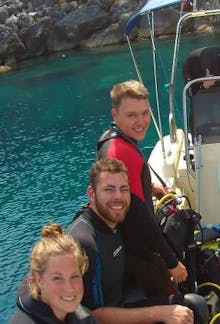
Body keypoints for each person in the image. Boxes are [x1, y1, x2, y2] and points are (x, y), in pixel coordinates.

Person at [67, 158, 196, 324]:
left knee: (190, 305)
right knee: (190, 309)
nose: (118, 197)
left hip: (124, 300)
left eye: (123, 189)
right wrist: (161, 313)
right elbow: (91, 315)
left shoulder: (115, 222)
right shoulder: (85, 242)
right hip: (105, 318)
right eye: (109, 190)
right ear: (92, 194)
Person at [95, 80, 188, 295]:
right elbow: (140, 216)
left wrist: (151, 187)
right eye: (132, 115)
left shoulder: (109, 140)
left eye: (145, 113)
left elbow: (129, 180)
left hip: (123, 247)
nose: (141, 121)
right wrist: (171, 261)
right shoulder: (122, 151)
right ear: (115, 114)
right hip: (138, 251)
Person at [10, 224, 97, 323]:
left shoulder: (84, 318)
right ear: (39, 280)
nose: (69, 288)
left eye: (74, 276)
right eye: (57, 278)